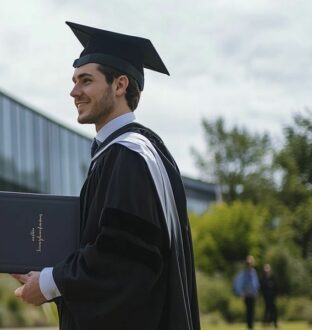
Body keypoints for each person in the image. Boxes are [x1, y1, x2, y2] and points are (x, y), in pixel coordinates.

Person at [11, 21, 200, 330]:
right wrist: (48, 277)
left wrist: (49, 282)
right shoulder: (125, 154)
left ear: (120, 85)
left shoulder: (130, 157)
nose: (73, 92)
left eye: (86, 80)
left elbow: (124, 263)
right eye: (74, 81)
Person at [234, 255, 260, 330]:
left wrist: (257, 291)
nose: (249, 265)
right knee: (248, 310)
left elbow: (256, 283)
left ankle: (251, 325)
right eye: (248, 263)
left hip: (253, 294)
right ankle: (249, 325)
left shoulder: (254, 272)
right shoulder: (244, 273)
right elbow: (240, 283)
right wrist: (241, 293)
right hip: (247, 295)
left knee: (252, 311)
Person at [260, 263, 278, 328]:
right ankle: (264, 323)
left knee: (274, 310)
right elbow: (262, 288)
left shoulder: (273, 277)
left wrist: (275, 295)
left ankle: (275, 323)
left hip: (272, 297)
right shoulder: (263, 278)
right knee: (267, 310)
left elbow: (276, 287)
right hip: (266, 297)